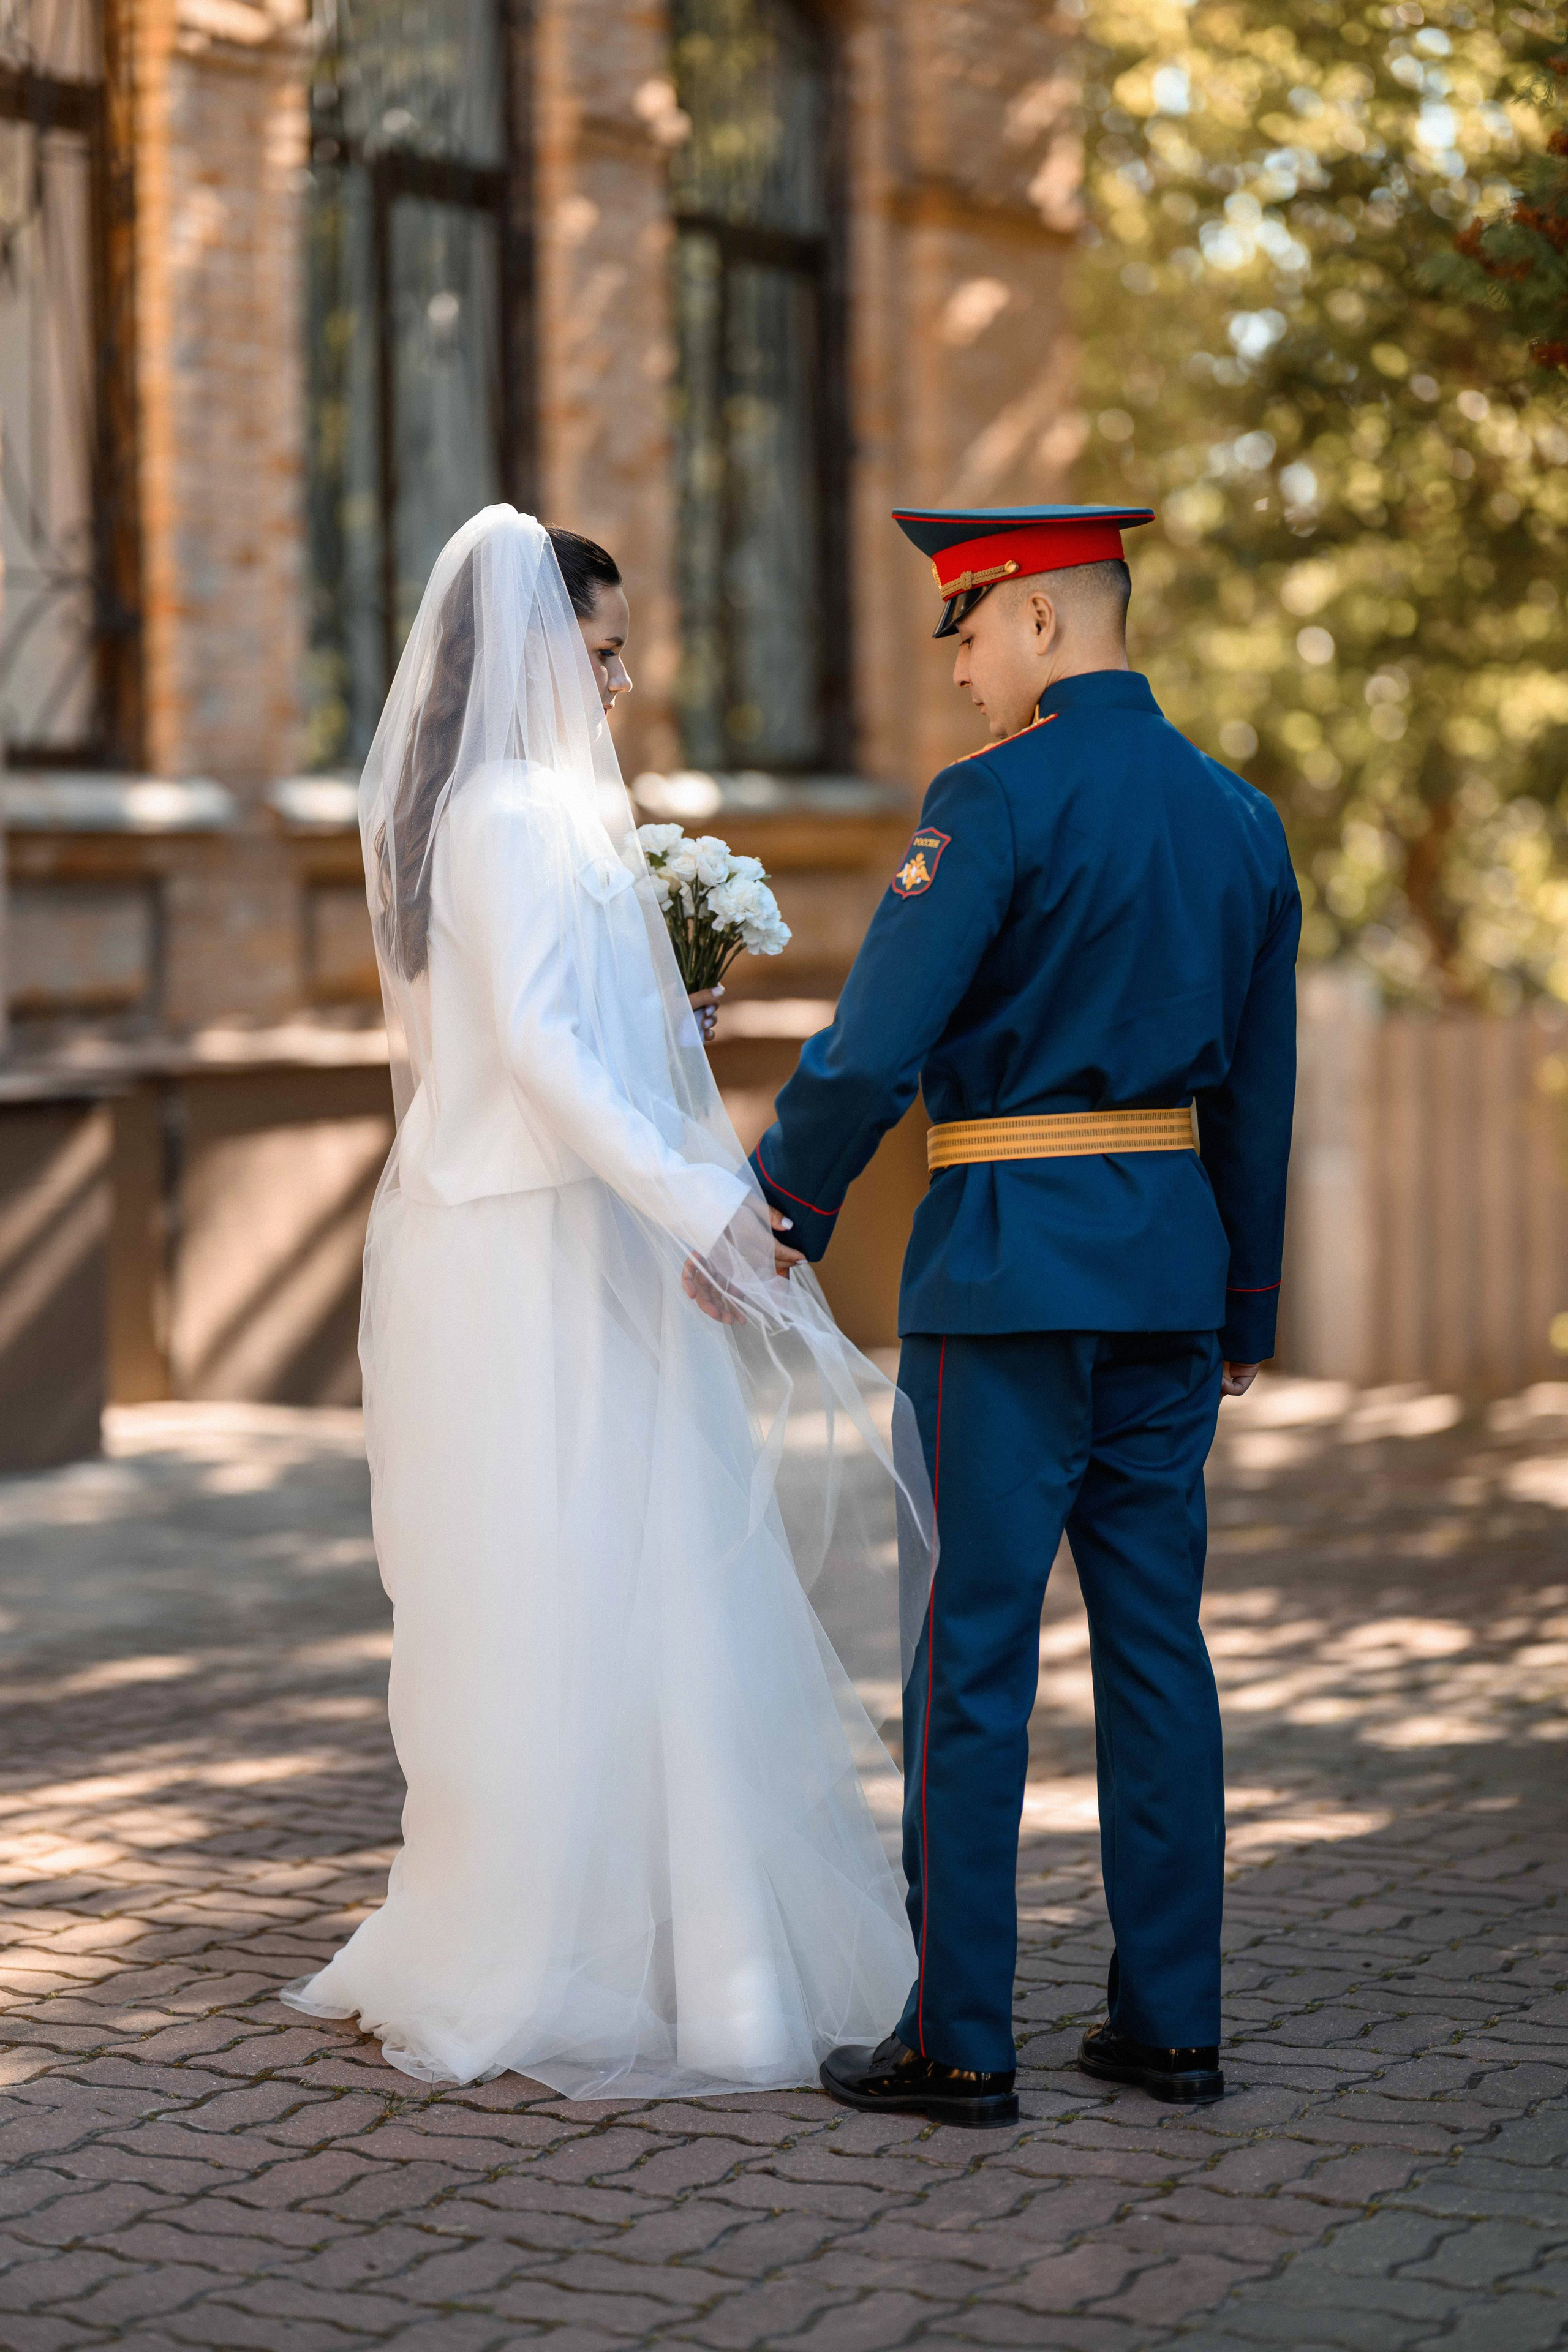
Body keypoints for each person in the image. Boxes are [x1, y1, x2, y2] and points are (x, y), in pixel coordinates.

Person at [282, 506, 934, 2099]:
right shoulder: (509, 816)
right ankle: (541, 1938)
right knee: (545, 1579)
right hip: (518, 1256)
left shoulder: (541, 815)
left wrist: (675, 1028)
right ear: (527, 655)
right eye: (600, 651)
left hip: (574, 1232)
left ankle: (685, 1948)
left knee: (642, 1575)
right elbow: (550, 1060)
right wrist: (712, 1202)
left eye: (624, 651)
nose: (623, 682)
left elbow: (577, 1039)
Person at [749, 503, 1301, 2127]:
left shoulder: (989, 804)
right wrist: (1248, 1304)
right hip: (1170, 1277)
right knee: (1159, 1652)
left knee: (970, 1655)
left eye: (972, 637)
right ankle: (1172, 2027)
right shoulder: (1242, 819)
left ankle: (962, 2039)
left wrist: (786, 1194)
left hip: (1005, 1277)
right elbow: (1259, 1096)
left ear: (1042, 619)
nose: (966, 675)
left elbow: (874, 1043)